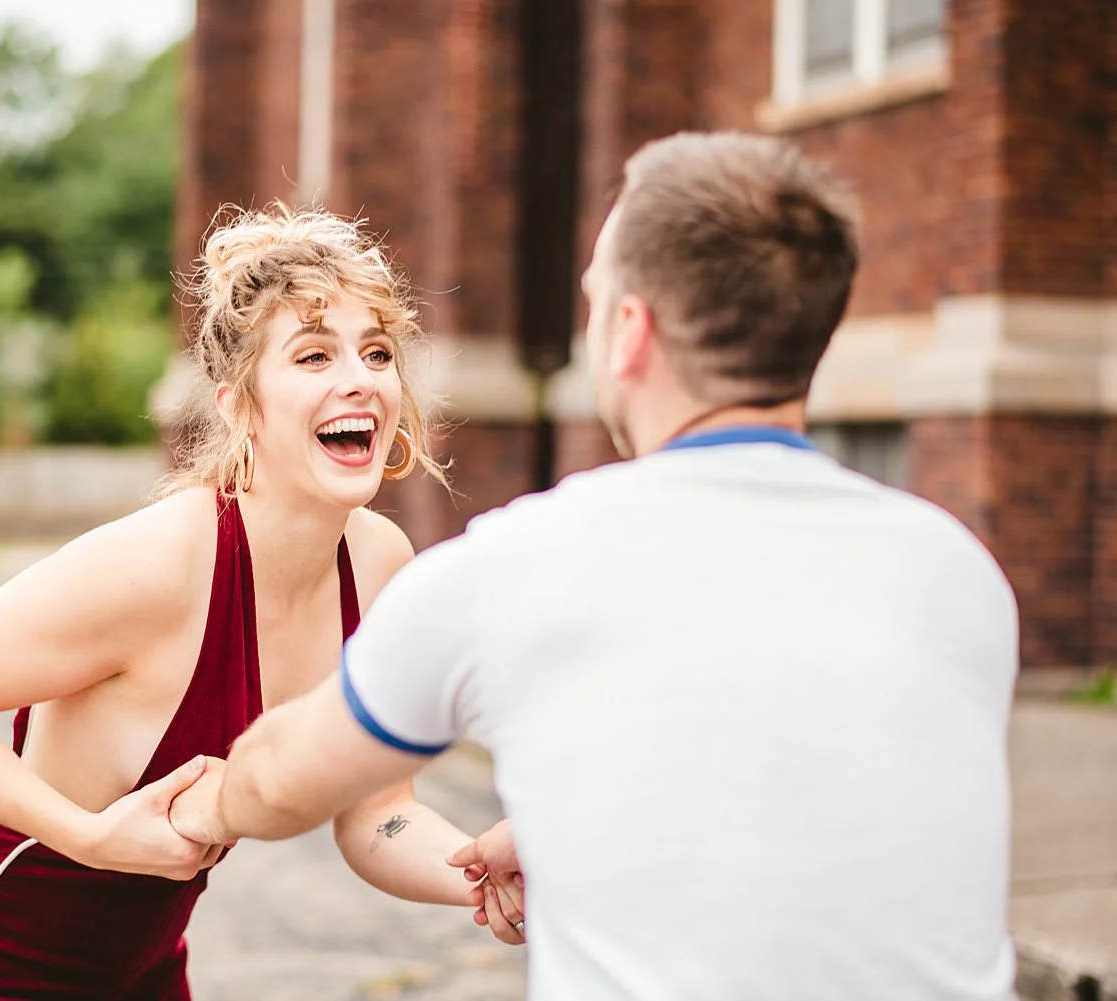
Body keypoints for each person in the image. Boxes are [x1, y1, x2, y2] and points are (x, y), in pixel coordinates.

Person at [169, 131, 1022, 1001]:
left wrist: (202, 804)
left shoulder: (519, 565)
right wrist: (574, 830)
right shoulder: (958, 571)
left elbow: (281, 780)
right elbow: (804, 781)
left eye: (594, 296)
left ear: (629, 330)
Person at [0, 203, 520, 1001]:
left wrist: (478, 870)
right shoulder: (166, 560)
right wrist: (91, 837)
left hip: (142, 970)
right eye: (313, 356)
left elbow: (376, 812)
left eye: (376, 352)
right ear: (242, 407)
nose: (360, 379)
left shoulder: (377, 563)